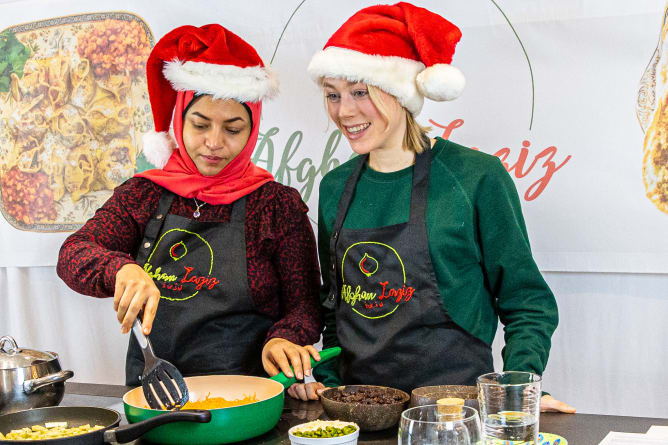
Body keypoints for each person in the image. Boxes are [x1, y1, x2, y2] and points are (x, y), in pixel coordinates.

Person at [287, 2, 575, 413]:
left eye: (360, 92)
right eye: (332, 95)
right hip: (359, 412)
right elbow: (336, 310)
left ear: (401, 91)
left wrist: (516, 389)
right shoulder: (335, 186)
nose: (344, 111)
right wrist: (326, 386)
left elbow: (526, 300)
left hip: (458, 413)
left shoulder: (476, 176)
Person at [57, 24, 323, 386]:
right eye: (200, 125)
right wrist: (121, 269)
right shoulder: (144, 195)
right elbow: (73, 254)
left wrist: (286, 336)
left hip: (250, 397)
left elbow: (305, 306)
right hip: (154, 396)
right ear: (180, 120)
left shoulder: (276, 206)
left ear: (252, 131)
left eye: (232, 129)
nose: (213, 143)